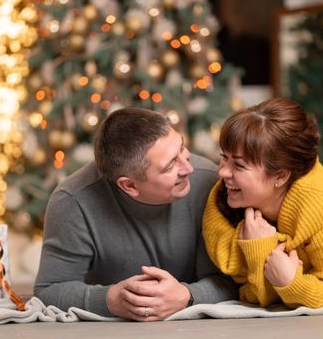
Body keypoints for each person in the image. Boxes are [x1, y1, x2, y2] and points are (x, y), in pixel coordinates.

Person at [34, 108, 237, 321]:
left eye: (182, 147)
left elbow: (231, 279)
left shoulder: (208, 182)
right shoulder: (73, 201)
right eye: (169, 166)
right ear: (129, 185)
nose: (188, 167)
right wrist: (110, 300)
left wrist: (188, 296)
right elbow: (49, 289)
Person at [202, 97, 323, 309]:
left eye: (239, 165)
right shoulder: (222, 203)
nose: (222, 172)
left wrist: (291, 283)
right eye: (223, 157)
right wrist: (261, 249)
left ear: (280, 176)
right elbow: (252, 295)